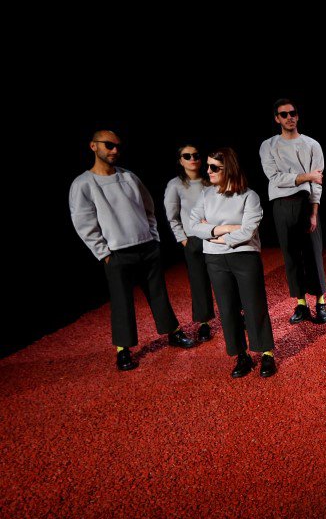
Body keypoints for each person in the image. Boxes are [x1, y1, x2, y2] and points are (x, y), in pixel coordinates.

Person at [69, 130, 196, 371]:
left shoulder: (129, 176)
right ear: (93, 146)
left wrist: (153, 237)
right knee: (122, 301)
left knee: (158, 292)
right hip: (117, 252)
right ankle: (123, 349)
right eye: (108, 145)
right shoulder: (83, 183)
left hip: (146, 246)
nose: (115, 150)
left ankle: (173, 332)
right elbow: (84, 222)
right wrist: (104, 253)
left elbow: (148, 208)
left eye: (117, 146)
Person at [190, 148, 276, 378]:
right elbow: (193, 225)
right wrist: (226, 229)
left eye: (214, 167)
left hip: (245, 256)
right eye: (208, 166)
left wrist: (214, 235)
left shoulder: (249, 196)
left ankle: (266, 353)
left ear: (228, 169)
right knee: (227, 309)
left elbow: (247, 231)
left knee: (254, 305)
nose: (208, 171)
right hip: (215, 259)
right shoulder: (205, 195)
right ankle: (241, 356)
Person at [259, 99, 326, 326]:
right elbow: (275, 178)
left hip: (306, 202)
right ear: (276, 118)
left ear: (297, 116)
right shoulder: (268, 145)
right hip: (281, 205)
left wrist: (314, 212)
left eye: (293, 113)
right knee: (291, 255)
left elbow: (317, 183)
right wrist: (306, 176)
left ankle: (320, 302)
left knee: (313, 254)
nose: (289, 117)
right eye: (284, 114)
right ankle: (301, 304)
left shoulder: (312, 145)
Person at [164, 144, 215, 343]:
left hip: (215, 237)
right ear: (180, 160)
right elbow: (172, 216)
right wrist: (184, 239)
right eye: (187, 156)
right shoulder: (175, 185)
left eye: (196, 155)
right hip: (193, 240)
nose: (192, 159)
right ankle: (204, 323)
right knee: (199, 282)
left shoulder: (210, 180)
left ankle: (238, 313)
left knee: (225, 278)